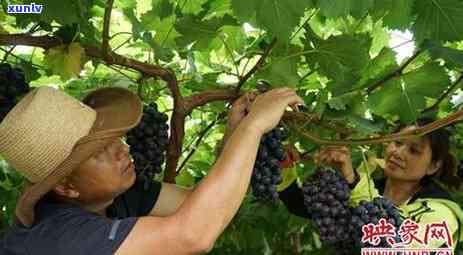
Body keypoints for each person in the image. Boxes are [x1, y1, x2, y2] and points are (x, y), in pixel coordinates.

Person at [0, 85, 304, 255]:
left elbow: (207, 207)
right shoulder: (58, 238)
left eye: (114, 138)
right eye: (99, 150)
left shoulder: (116, 197)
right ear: (67, 187)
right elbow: (193, 234)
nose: (122, 148)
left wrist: (235, 134)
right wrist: (255, 126)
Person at [278, 118, 463, 252]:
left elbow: (397, 245)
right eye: (397, 142)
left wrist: (354, 181)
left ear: (433, 166)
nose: (398, 153)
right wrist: (283, 162)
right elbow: (305, 206)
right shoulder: (366, 187)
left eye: (413, 150)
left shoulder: (442, 213)